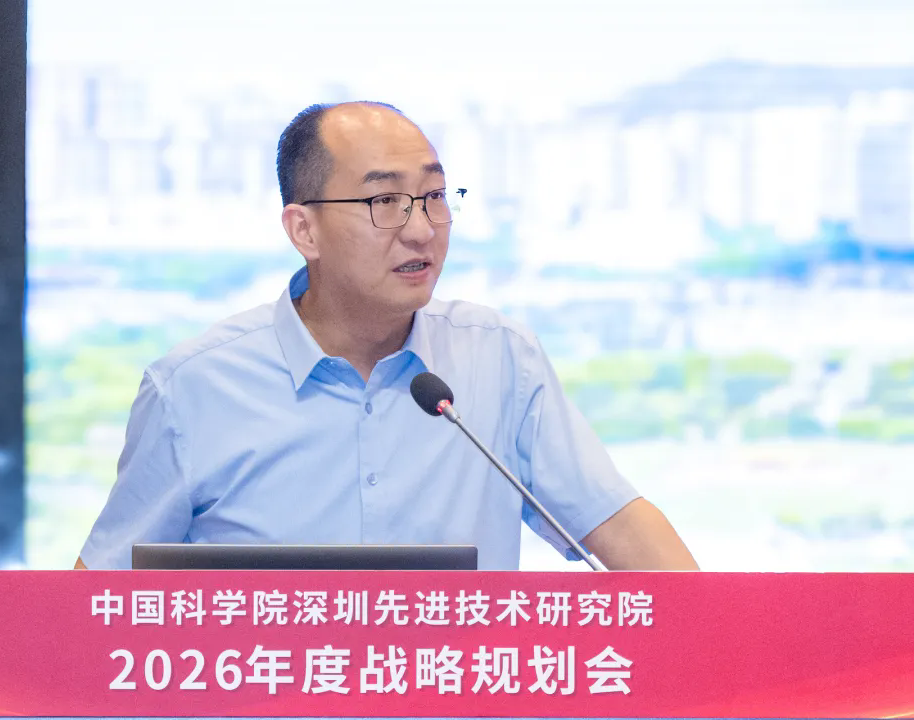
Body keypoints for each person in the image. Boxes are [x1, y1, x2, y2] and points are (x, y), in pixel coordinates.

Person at [76, 101, 698, 571]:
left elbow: (618, 526)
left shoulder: (499, 359)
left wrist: (725, 647)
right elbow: (92, 604)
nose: (422, 229)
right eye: (385, 202)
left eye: (433, 197)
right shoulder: (193, 389)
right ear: (304, 230)